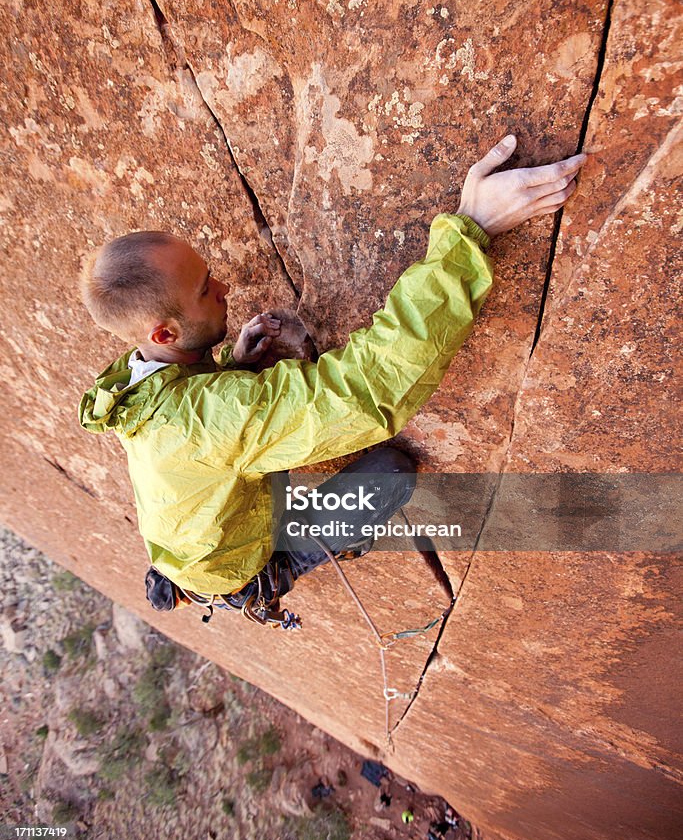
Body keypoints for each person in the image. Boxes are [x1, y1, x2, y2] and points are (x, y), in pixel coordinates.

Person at [78, 134, 585, 626]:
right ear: (164, 331)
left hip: (195, 544)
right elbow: (366, 390)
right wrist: (471, 229)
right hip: (232, 571)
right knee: (390, 473)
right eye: (206, 289)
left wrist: (232, 371)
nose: (225, 286)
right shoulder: (215, 419)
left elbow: (201, 428)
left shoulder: (136, 381)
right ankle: (280, 571)